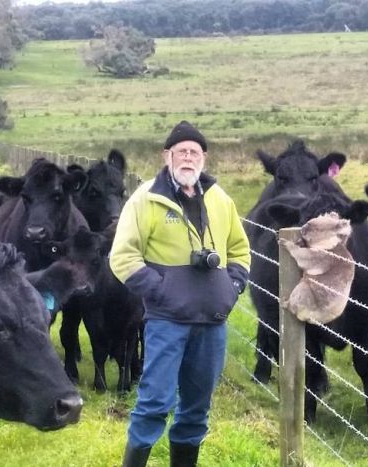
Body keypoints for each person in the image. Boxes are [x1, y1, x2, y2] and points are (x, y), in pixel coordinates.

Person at [110, 121, 251, 467]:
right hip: (167, 321)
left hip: (212, 323)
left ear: (203, 157)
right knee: (154, 403)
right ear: (167, 155)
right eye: (181, 151)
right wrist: (160, 292)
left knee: (196, 409)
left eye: (194, 151)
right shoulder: (145, 199)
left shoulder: (220, 199)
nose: (188, 157)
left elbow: (240, 250)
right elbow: (122, 256)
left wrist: (230, 289)